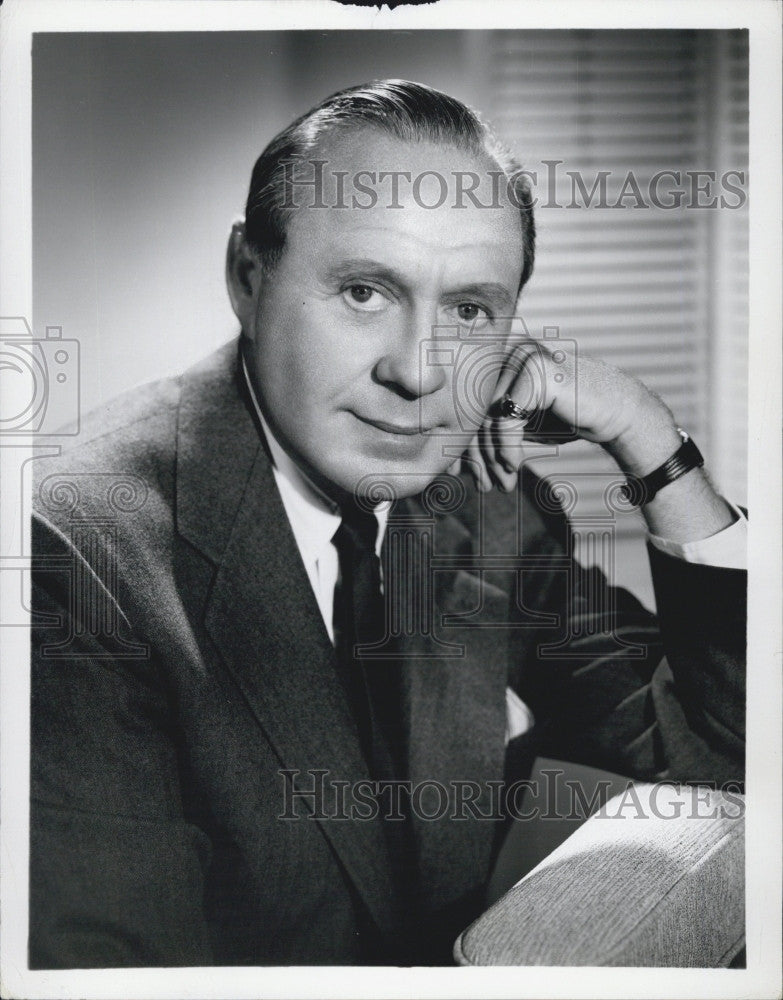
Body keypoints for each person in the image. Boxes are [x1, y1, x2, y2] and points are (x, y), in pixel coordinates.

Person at [29, 80, 746, 968]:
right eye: (365, 291)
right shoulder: (75, 550)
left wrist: (649, 438)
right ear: (247, 278)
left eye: (469, 311)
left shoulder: (481, 495)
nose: (418, 373)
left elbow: (723, 760)